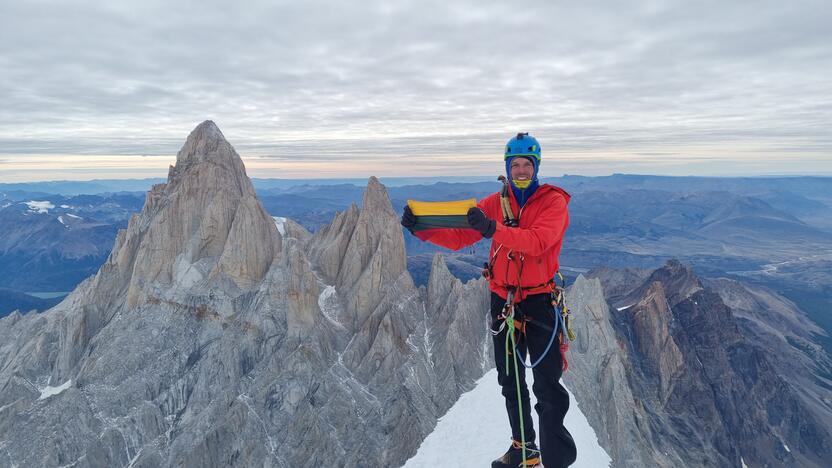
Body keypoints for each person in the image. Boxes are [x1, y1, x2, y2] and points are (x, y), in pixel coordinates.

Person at [401, 133, 577, 468]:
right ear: (508, 168)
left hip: (540, 301)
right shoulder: (495, 202)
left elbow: (537, 241)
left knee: (547, 386)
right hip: (504, 302)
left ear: (536, 166)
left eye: (527, 164)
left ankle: (557, 460)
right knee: (510, 380)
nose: (521, 170)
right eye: (516, 165)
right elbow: (459, 236)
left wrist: (493, 228)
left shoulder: (553, 202)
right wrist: (420, 229)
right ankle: (523, 449)